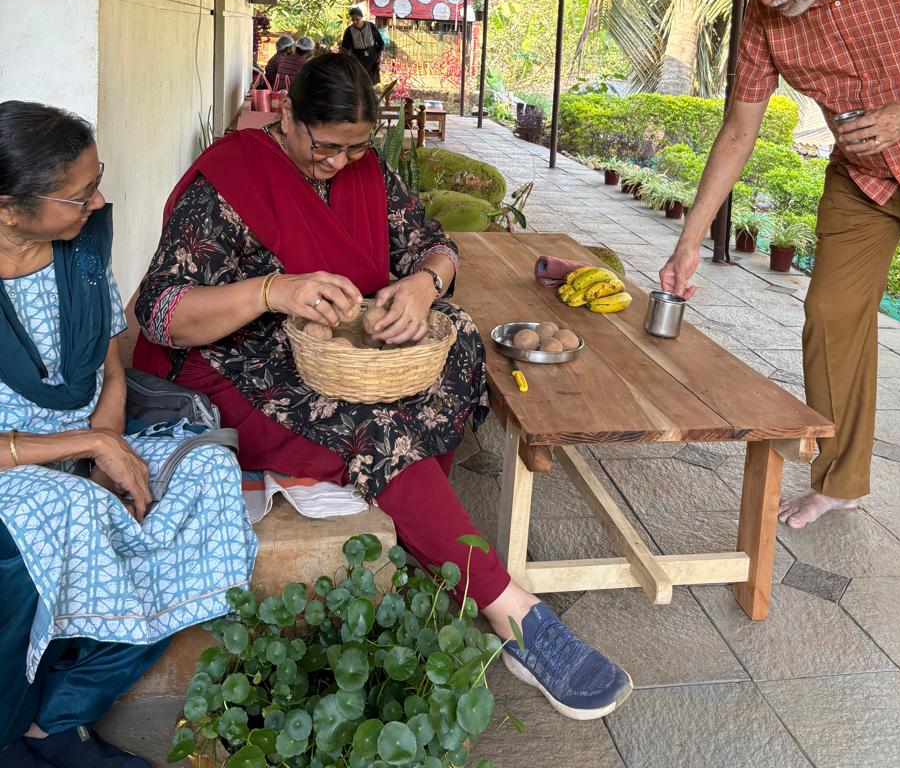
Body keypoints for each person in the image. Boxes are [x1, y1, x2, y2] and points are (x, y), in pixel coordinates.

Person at [133, 53, 632, 720]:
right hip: (237, 359)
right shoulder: (229, 179)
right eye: (326, 144)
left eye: (356, 146)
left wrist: (421, 288)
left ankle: (428, 537)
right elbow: (161, 314)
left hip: (341, 344)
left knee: (456, 345)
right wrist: (274, 291)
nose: (340, 161)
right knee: (380, 427)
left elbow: (438, 248)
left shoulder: (367, 169)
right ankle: (516, 617)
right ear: (285, 114)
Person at [659, 0, 900, 532]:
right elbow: (739, 128)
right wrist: (689, 240)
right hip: (863, 183)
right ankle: (840, 481)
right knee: (829, 315)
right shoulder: (765, 17)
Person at [0, 102, 256, 767]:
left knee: (205, 478)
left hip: (89, 437)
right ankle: (9, 731)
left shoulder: (79, 253)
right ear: (7, 207)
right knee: (70, 513)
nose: (100, 200)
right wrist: (86, 452)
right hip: (16, 464)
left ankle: (58, 720)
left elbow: (111, 363)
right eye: (79, 194)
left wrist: (106, 439)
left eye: (98, 179)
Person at [341, 7, 384, 85]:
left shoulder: (371, 26)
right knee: (361, 80)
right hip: (358, 58)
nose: (355, 21)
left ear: (362, 17)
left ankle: (373, 92)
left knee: (373, 80)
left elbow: (380, 41)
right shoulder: (349, 31)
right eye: (353, 20)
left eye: (357, 19)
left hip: (373, 55)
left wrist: (381, 55)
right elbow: (345, 48)